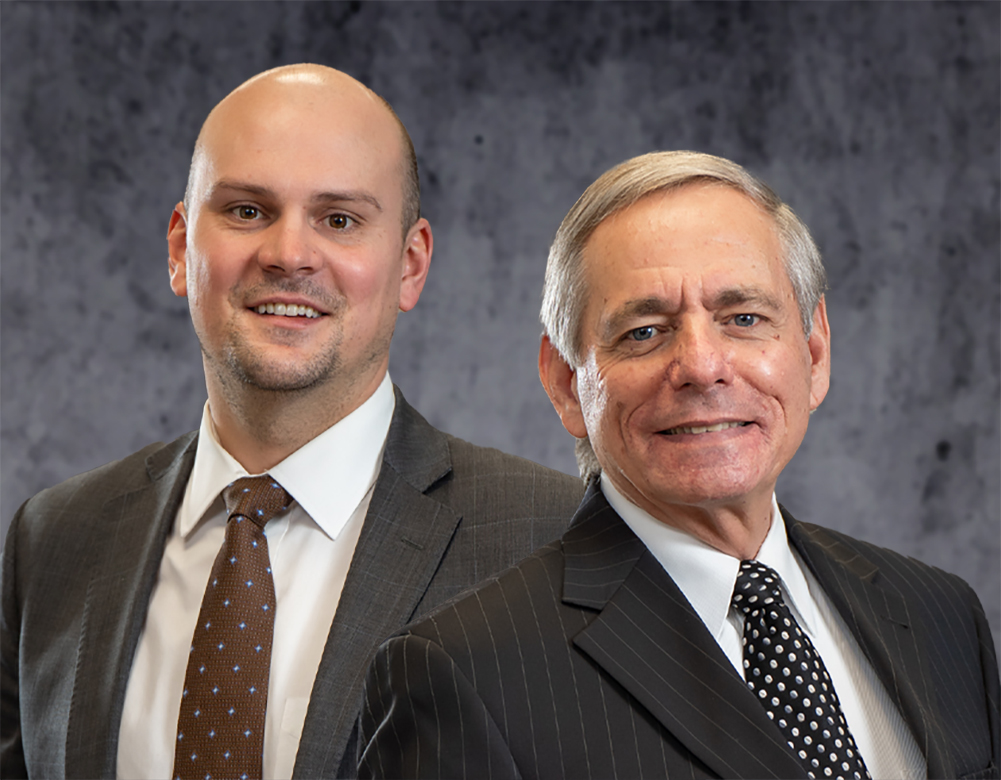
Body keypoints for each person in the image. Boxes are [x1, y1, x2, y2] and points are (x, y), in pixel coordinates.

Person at [0, 64, 583, 780]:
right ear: (181, 249)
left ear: (409, 265)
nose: (288, 255)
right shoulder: (52, 541)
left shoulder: (553, 544)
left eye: (339, 220)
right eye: (247, 211)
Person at [359, 151, 1000, 779]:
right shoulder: (463, 673)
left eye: (743, 318)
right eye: (644, 331)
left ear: (814, 352)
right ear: (565, 383)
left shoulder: (942, 617)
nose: (701, 366)